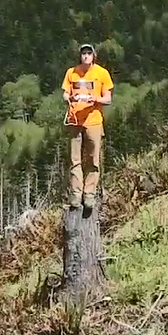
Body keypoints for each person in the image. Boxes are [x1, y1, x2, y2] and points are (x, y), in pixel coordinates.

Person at [62, 42, 113, 212]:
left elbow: (108, 98)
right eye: (83, 53)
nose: (85, 56)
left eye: (88, 53)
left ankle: (89, 193)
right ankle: (76, 193)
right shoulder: (71, 72)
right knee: (74, 159)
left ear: (93, 56)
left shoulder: (102, 73)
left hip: (94, 121)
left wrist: (96, 100)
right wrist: (69, 98)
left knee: (93, 158)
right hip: (75, 120)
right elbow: (65, 92)